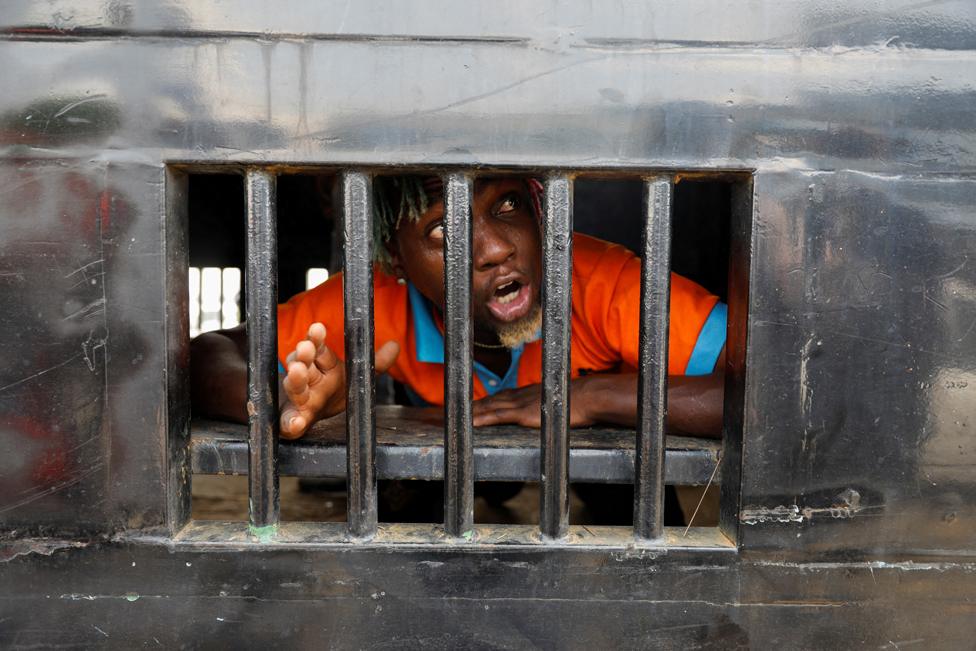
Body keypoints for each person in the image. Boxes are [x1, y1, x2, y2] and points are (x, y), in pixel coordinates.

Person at [190, 175, 726, 441]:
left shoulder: (601, 281)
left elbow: (768, 386)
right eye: (444, 229)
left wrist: (590, 397)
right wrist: (282, 404)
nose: (495, 249)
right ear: (396, 260)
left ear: (543, 210)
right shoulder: (372, 298)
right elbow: (207, 352)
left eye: (508, 205)